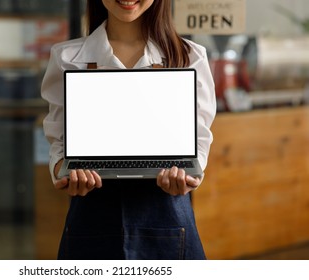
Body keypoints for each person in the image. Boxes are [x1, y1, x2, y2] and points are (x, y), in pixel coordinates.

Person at [41, 0, 216, 260]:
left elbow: (199, 137)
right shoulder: (66, 57)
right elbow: (58, 139)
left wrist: (189, 176)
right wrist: (64, 172)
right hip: (91, 211)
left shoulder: (190, 56)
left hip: (167, 211)